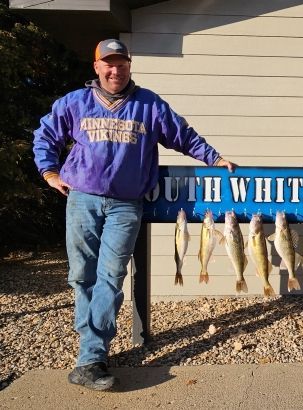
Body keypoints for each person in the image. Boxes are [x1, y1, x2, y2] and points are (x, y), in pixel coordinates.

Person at [33, 39, 236, 391]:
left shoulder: (149, 104)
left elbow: (182, 135)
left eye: (121, 63)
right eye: (108, 64)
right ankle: (90, 354)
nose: (116, 70)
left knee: (110, 278)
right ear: (96, 67)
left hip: (127, 205)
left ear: (130, 66)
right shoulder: (75, 103)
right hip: (82, 199)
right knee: (82, 276)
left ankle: (92, 358)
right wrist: (49, 173)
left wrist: (214, 158)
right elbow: (45, 135)